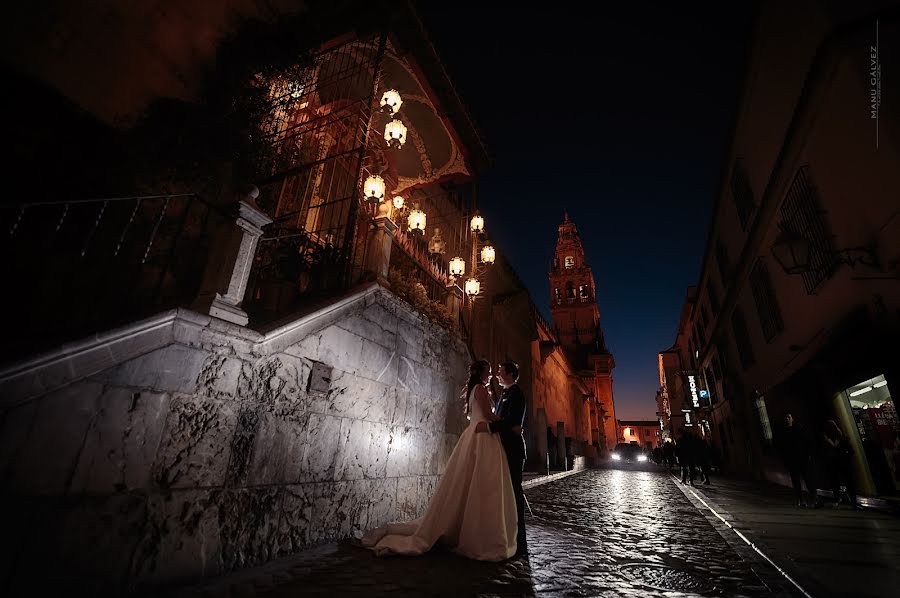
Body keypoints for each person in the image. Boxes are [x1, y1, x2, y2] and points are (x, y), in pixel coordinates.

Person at [360, 359, 518, 561]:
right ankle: (480, 533)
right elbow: (488, 415)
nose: (490, 375)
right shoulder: (480, 389)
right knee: (483, 484)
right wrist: (509, 423)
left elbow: (476, 415)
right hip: (483, 438)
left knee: (469, 482)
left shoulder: (474, 390)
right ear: (481, 373)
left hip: (474, 435)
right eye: (488, 371)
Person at [479, 361, 527, 557]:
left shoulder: (517, 394)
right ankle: (507, 535)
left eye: (500, 372)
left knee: (515, 492)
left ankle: (519, 541)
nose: (497, 375)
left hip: (514, 450)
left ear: (509, 374)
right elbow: (503, 420)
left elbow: (513, 422)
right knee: (507, 493)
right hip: (504, 448)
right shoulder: (504, 395)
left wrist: (489, 428)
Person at [775, 413, 819, 507]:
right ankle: (801, 500)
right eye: (785, 417)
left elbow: (808, 443)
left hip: (802, 459)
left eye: (788, 417)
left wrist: (809, 455)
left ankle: (814, 499)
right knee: (796, 481)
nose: (787, 419)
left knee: (808, 480)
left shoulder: (799, 429)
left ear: (792, 419)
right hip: (792, 460)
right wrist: (785, 460)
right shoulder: (782, 433)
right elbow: (781, 448)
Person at [822, 420, 858, 507]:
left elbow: (850, 451)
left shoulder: (830, 440)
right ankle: (853, 502)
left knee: (838, 483)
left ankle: (838, 500)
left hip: (837, 464)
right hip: (841, 464)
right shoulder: (842, 438)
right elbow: (851, 451)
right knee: (848, 483)